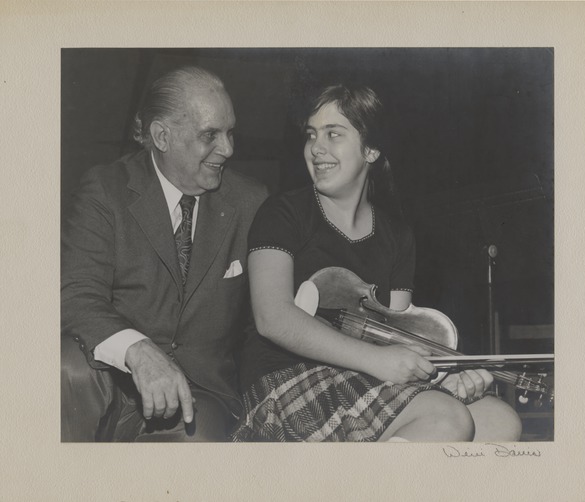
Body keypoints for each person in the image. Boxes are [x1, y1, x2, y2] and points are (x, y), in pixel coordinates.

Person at [232, 84, 522, 442]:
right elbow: (272, 318)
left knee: (500, 419)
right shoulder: (282, 213)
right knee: (445, 418)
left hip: (363, 381)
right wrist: (375, 361)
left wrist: (448, 376)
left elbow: (398, 338)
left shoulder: (397, 236)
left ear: (370, 149)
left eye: (333, 134)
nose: (316, 148)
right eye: (312, 135)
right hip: (287, 381)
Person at [61, 66, 268, 441]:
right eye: (210, 135)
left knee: (196, 450)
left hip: (199, 395)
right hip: (109, 382)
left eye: (230, 131)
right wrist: (137, 350)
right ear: (162, 136)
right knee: (64, 367)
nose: (228, 149)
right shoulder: (105, 191)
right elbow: (74, 293)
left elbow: (273, 314)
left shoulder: (251, 202)